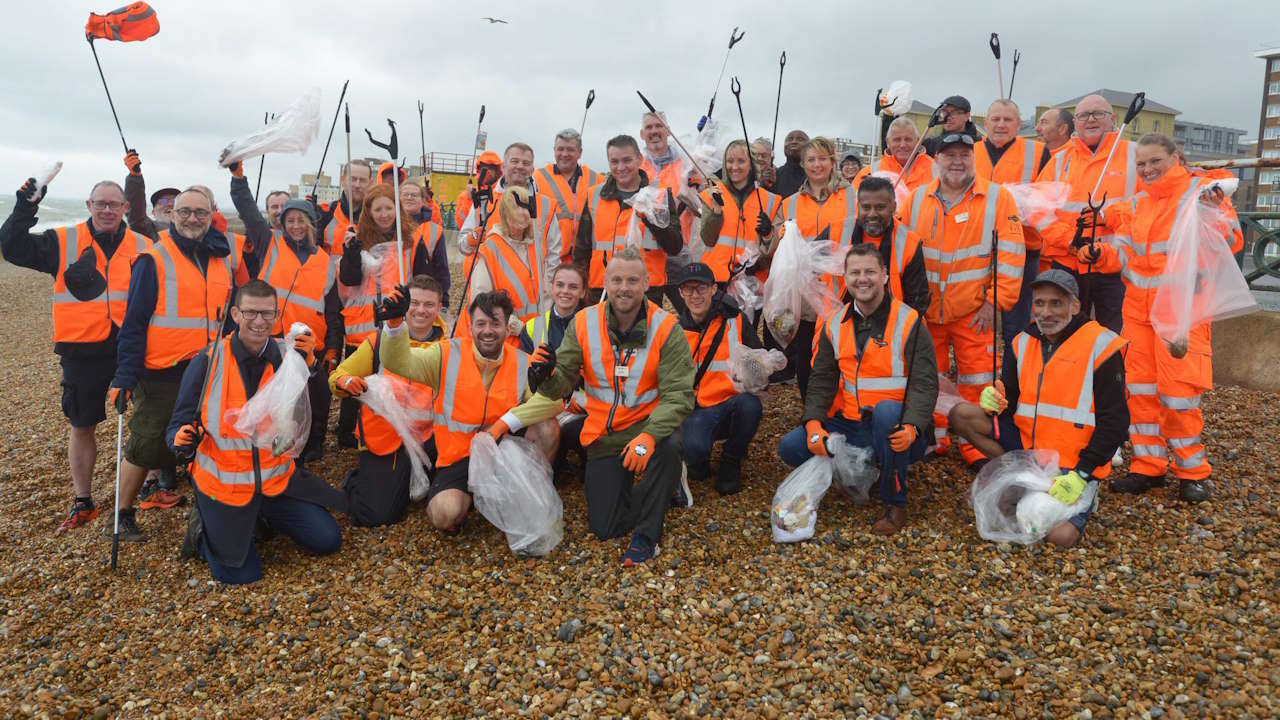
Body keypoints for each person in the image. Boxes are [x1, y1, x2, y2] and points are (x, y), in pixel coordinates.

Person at [501, 249, 695, 565]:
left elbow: (679, 397)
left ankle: (648, 536)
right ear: (604, 282)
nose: (624, 287)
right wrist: (543, 378)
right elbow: (561, 380)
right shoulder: (584, 322)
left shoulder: (666, 328)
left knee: (670, 444)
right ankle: (664, 486)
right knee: (605, 528)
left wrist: (649, 437)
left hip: (648, 430)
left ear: (647, 283)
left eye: (633, 280)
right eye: (617, 280)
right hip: (604, 433)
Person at [1077, 133, 1237, 503]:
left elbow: (1231, 242)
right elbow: (1125, 252)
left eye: (1155, 162)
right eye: (1141, 164)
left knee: (1178, 394)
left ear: (1175, 157)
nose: (1148, 170)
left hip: (1182, 312)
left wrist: (1212, 212)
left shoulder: (1202, 194)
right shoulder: (1138, 203)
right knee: (1139, 392)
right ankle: (1148, 466)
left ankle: (1192, 472)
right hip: (1138, 312)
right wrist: (1098, 254)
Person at [0, 177, 152, 532]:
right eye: (100, 203)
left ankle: (158, 483)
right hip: (82, 349)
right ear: (88, 205)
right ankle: (83, 501)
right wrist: (26, 206)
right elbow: (11, 247)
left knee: (150, 416)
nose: (107, 210)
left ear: (126, 208)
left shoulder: (145, 247)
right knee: (82, 424)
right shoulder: (62, 241)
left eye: (115, 204)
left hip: (134, 346)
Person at [169, 279, 343, 584]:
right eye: (251, 313)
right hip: (225, 488)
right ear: (235, 314)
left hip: (276, 483)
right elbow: (177, 424)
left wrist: (313, 366)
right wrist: (181, 438)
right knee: (242, 574)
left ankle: (260, 517)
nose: (260, 322)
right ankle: (201, 528)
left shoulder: (286, 357)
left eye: (267, 314)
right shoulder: (207, 361)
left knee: (328, 540)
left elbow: (317, 405)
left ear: (277, 317)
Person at [107, 187, 250, 541]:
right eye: (184, 212)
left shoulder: (221, 257)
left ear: (212, 215)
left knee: (207, 437)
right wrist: (125, 375)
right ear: (172, 216)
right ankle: (122, 515)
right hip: (162, 370)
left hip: (210, 368)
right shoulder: (153, 259)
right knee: (147, 443)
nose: (192, 219)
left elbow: (229, 317)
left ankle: (207, 507)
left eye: (200, 213)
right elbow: (134, 323)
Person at [948, 270, 1128, 546]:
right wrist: (994, 400)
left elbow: (1115, 423)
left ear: (1075, 306)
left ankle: (1087, 493)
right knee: (962, 415)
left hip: (1073, 462)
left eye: (1056, 303)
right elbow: (1010, 402)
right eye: (1040, 303)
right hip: (1030, 449)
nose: (1046, 312)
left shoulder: (1100, 346)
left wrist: (1082, 474)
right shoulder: (1023, 342)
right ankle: (1018, 474)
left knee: (1059, 538)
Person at [778, 243, 937, 534]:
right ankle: (865, 469)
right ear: (846, 278)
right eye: (855, 273)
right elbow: (822, 380)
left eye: (870, 272)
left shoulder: (909, 321)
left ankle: (894, 503)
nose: (862, 279)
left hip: (897, 428)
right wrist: (813, 423)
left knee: (887, 412)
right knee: (789, 447)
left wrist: (914, 425)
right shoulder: (834, 325)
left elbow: (925, 382)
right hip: (851, 424)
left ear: (885, 276)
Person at [378, 290, 560, 534]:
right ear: (470, 327)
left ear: (508, 329)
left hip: (503, 454)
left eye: (495, 324)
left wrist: (548, 381)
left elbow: (556, 403)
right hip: (458, 459)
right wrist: (394, 325)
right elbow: (399, 363)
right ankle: (470, 500)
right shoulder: (444, 354)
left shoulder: (522, 362)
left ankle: (530, 495)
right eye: (480, 324)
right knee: (444, 515)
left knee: (548, 427)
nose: (487, 330)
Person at [904, 129, 1025, 467]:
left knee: (978, 381)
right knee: (934, 378)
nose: (957, 161)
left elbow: (1012, 256)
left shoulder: (999, 199)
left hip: (975, 312)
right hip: (928, 314)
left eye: (964, 155)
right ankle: (939, 439)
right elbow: (901, 252)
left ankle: (974, 447)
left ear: (974, 158)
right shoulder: (915, 199)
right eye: (949, 155)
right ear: (936, 159)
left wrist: (994, 302)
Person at [235, 192, 344, 463]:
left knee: (316, 395)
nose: (295, 226)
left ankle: (313, 441)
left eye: (301, 220)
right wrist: (239, 181)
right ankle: (274, 442)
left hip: (310, 343)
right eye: (290, 220)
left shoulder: (325, 263)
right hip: (271, 339)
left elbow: (332, 310)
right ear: (282, 224)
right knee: (274, 397)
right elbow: (248, 211)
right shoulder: (268, 244)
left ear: (311, 225)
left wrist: (332, 347)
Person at [330, 275, 446, 526]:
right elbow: (338, 376)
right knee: (378, 516)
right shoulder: (379, 341)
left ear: (439, 307)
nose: (421, 310)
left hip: (431, 440)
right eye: (414, 303)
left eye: (429, 304)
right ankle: (360, 480)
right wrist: (345, 383)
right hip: (387, 438)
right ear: (405, 305)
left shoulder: (448, 347)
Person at [333, 183, 425, 448]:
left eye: (389, 208)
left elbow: (420, 278)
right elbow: (349, 279)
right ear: (368, 212)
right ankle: (348, 431)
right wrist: (351, 253)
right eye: (378, 209)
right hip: (361, 325)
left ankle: (386, 427)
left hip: (396, 322)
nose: (384, 214)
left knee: (392, 378)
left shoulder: (410, 240)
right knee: (356, 380)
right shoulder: (357, 239)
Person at [1035, 93, 1137, 333]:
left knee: (1114, 335)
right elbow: (1039, 210)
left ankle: (1112, 372)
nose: (1090, 120)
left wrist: (1107, 216)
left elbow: (1149, 205)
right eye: (1083, 115)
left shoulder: (1135, 156)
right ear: (1075, 123)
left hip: (1115, 267)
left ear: (1112, 119)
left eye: (1097, 114)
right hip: (1068, 263)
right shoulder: (1060, 160)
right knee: (1065, 334)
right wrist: (1069, 240)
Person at [675, 262, 763, 496]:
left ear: (714, 289)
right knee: (694, 450)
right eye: (688, 289)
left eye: (701, 288)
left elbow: (759, 361)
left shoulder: (735, 320)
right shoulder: (674, 331)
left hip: (732, 403)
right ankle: (698, 459)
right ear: (680, 293)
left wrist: (754, 369)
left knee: (751, 405)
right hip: (698, 409)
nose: (695, 295)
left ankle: (731, 459)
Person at [778, 137, 857, 397]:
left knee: (841, 350)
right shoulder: (790, 203)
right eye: (811, 160)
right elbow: (782, 246)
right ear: (803, 164)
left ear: (833, 161)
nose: (817, 165)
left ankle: (841, 407)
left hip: (842, 290)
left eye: (823, 158)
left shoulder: (851, 196)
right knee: (804, 352)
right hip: (804, 293)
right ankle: (810, 409)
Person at [572, 134, 683, 304]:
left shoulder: (659, 194)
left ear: (639, 159)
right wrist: (580, 289)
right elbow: (582, 250)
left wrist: (650, 217)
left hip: (647, 291)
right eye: (614, 162)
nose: (620, 167)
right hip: (601, 290)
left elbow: (675, 246)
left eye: (627, 160)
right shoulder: (595, 195)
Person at [975, 99, 1051, 338]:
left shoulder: (1038, 152)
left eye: (1008, 120)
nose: (1001, 125)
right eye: (995, 119)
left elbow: (1050, 199)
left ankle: (1014, 372)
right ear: (985, 123)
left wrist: (1020, 205)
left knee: (1016, 324)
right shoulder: (969, 151)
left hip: (1023, 249)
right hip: (976, 248)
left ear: (1019, 124)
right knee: (976, 320)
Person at [518, 264, 590, 477]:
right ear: (551, 288)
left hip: (583, 410)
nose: (565, 291)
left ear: (583, 292)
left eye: (573, 286)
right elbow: (526, 380)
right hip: (546, 408)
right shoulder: (532, 327)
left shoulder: (593, 325)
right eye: (560, 285)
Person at [457, 143, 560, 272]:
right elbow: (462, 246)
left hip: (531, 289)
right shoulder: (485, 201)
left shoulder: (545, 206)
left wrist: (548, 288)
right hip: (490, 286)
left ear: (532, 169)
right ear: (504, 166)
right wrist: (474, 237)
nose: (520, 166)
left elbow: (554, 256)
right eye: (514, 161)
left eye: (526, 163)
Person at [463, 185, 551, 329]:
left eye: (525, 208)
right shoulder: (490, 249)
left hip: (535, 336)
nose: (521, 213)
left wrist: (541, 327)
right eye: (515, 208)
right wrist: (514, 325)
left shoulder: (536, 247)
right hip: (506, 336)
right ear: (505, 214)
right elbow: (482, 299)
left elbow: (547, 293)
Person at [698, 140, 782, 284]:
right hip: (716, 281)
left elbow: (776, 249)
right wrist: (716, 213)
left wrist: (769, 235)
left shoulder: (771, 201)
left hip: (754, 284)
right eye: (729, 161)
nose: (734, 167)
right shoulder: (712, 193)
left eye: (741, 161)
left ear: (752, 165)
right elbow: (708, 239)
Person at [848, 176, 930, 315]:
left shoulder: (909, 242)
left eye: (880, 207)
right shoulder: (836, 232)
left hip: (891, 326)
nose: (872, 214)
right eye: (866, 207)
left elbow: (917, 300)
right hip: (839, 327)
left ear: (893, 207)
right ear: (858, 207)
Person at [535, 129, 601, 265]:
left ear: (580, 153)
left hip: (585, 262)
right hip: (550, 261)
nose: (564, 154)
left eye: (570, 150)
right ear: (554, 150)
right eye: (560, 149)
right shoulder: (538, 178)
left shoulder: (597, 180)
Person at [853, 117, 935, 195]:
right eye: (897, 140)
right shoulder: (870, 173)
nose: (902, 145)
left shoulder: (936, 170)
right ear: (888, 143)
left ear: (918, 141)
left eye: (908, 139)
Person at [401, 179, 451, 305]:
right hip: (392, 297)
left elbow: (441, 270)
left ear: (423, 201)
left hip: (420, 300)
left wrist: (443, 301)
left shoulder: (435, 231)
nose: (409, 197)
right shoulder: (387, 225)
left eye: (414, 195)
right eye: (405, 194)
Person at [317, 159, 373, 254]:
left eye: (362, 180)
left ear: (370, 183)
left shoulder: (376, 217)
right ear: (342, 180)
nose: (357, 185)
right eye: (353, 179)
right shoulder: (325, 213)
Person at [121, 149, 174, 241]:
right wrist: (135, 176)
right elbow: (135, 213)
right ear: (153, 212)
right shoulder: (149, 229)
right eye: (163, 201)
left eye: (175, 200)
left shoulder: (194, 228)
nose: (170, 204)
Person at [453, 150, 503, 229]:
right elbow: (462, 225)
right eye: (484, 168)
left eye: (491, 168)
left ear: (497, 171)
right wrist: (469, 200)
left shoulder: (503, 194)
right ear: (478, 170)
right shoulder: (464, 197)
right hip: (475, 239)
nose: (487, 171)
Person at [772, 130, 810, 198]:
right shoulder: (774, 176)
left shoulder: (815, 175)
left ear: (809, 147)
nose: (794, 142)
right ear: (784, 148)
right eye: (790, 139)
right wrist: (764, 184)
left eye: (800, 139)